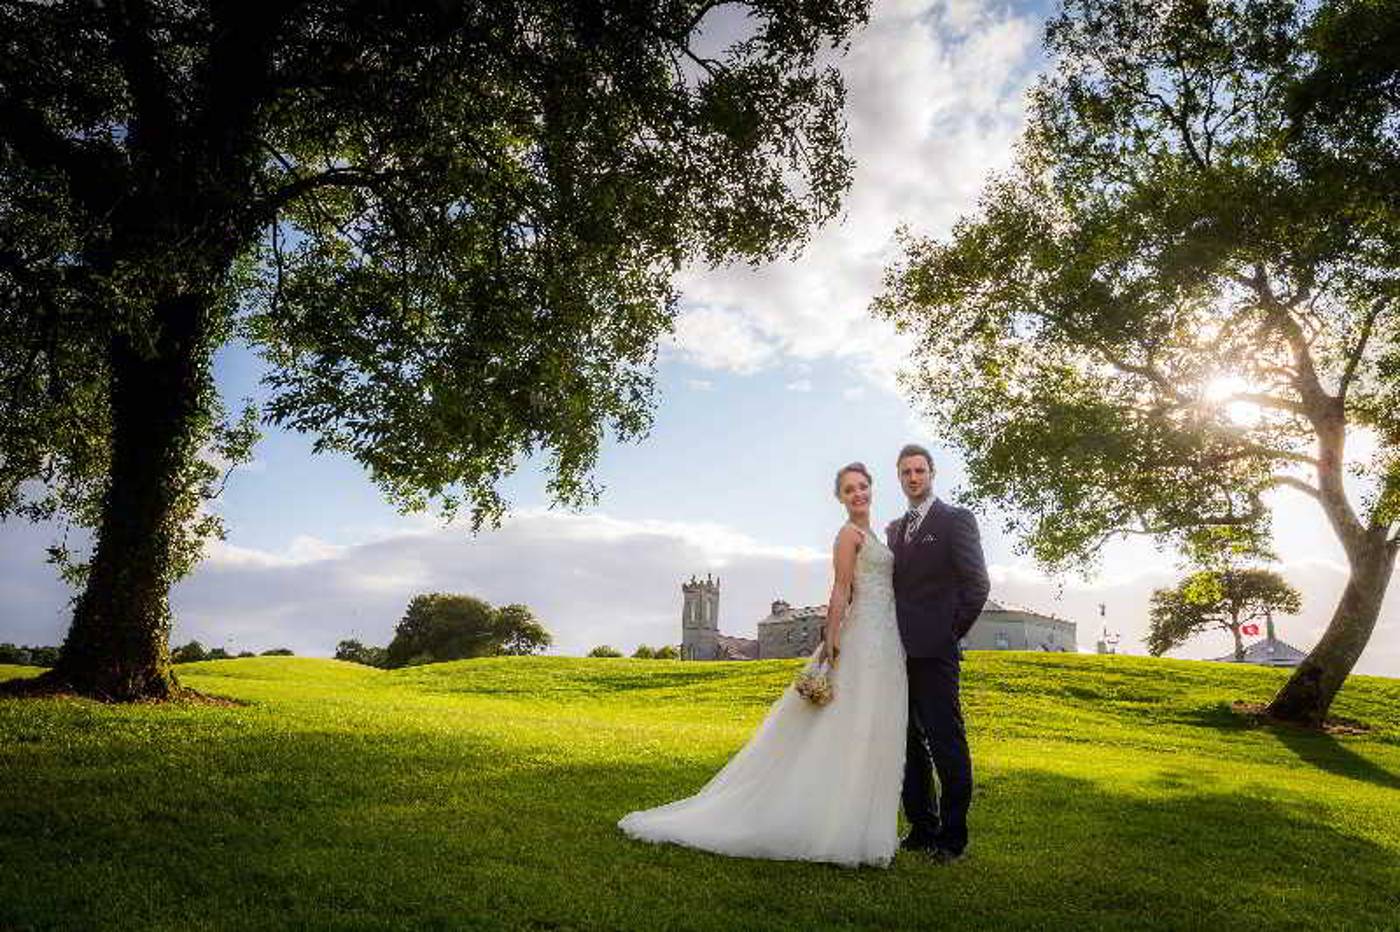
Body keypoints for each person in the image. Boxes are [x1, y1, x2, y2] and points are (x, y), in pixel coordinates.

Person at [617, 462, 908, 867]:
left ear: (872, 489)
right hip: (861, 638)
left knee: (873, 729)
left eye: (862, 486)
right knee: (846, 725)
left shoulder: (877, 535)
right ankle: (832, 828)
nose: (857, 493)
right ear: (840, 498)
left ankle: (862, 828)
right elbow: (841, 589)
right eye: (848, 489)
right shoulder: (848, 535)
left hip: (886, 638)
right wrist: (831, 639)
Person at [886, 444, 990, 862]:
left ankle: (952, 838)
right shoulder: (895, 529)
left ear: (931, 474)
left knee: (947, 743)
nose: (913, 478)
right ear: (899, 477)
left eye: (920, 470)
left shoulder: (955, 520)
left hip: (937, 654)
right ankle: (922, 827)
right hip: (898, 654)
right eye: (906, 472)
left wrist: (949, 633)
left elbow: (977, 585)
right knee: (908, 743)